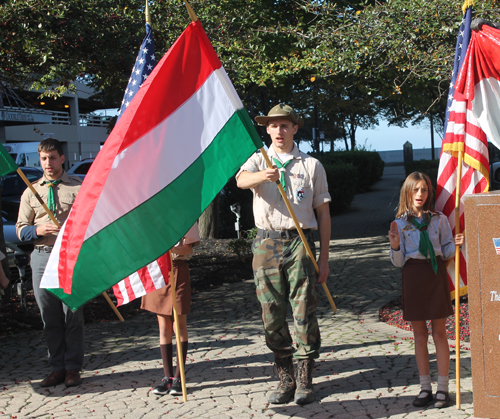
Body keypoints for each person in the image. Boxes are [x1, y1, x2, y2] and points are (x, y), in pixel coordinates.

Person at [236, 103, 331, 405]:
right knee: (271, 315)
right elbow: (240, 181)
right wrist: (264, 176)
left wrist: (325, 258)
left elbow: (324, 214)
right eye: (274, 125)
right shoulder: (257, 160)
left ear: (294, 128)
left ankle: (304, 379)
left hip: (300, 242)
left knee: (304, 313)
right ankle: (285, 378)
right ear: (267, 129)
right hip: (266, 245)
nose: (279, 130)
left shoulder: (311, 165)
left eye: (285, 125)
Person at [388, 171, 464, 409]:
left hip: (435, 275)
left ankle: (443, 389)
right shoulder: (399, 224)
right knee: (420, 335)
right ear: (407, 192)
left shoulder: (439, 219)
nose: (420, 194)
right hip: (413, 277)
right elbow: (398, 262)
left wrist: (456, 244)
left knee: (440, 333)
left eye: (424, 190)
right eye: (415, 189)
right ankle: (425, 387)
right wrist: (395, 245)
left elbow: (446, 248)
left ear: (429, 193)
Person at [16, 138, 85, 388]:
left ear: (62, 158)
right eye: (44, 158)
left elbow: (91, 221)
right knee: (49, 317)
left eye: (53, 157)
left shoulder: (78, 188)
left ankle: (73, 369)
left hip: (68, 257)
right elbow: (20, 230)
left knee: (72, 315)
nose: (48, 163)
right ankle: (56, 369)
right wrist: (36, 229)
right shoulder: (31, 191)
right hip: (42, 256)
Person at [141, 223, 200, 396]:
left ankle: (179, 377)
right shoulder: (152, 217)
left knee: (179, 323)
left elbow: (187, 250)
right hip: (157, 270)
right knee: (163, 325)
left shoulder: (185, 216)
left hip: (177, 270)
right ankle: (167, 377)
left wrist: (168, 249)